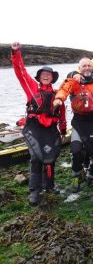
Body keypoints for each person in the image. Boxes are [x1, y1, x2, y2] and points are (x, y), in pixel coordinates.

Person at [11, 42, 67, 205]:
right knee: (36, 157)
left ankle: (49, 186)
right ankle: (34, 191)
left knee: (50, 157)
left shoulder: (58, 95)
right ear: (39, 76)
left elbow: (62, 115)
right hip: (34, 127)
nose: (46, 75)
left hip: (50, 129)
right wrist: (16, 52)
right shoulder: (32, 88)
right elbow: (20, 71)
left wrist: (63, 131)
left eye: (49, 74)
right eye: (43, 73)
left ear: (52, 78)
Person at [53, 58, 93, 192]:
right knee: (76, 150)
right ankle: (76, 176)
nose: (87, 68)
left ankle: (92, 176)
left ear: (92, 67)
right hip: (80, 122)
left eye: (89, 66)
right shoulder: (75, 80)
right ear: (79, 68)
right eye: (84, 66)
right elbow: (64, 88)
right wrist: (59, 99)